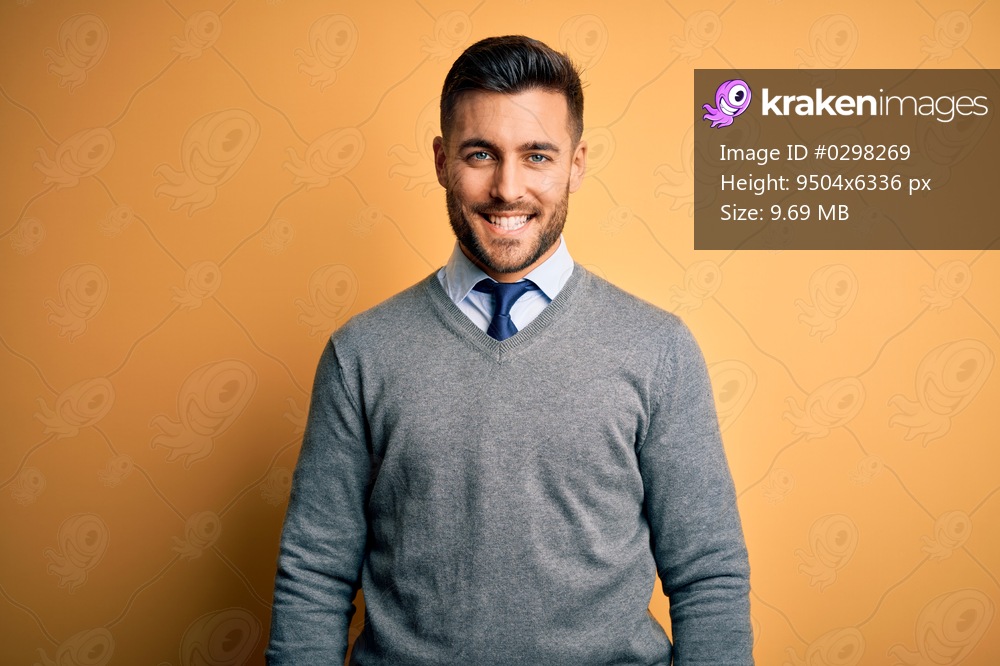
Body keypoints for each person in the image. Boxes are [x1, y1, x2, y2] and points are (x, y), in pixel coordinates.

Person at [267, 35, 752, 665]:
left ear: (576, 164)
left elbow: (708, 574)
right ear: (442, 161)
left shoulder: (659, 350)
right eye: (480, 154)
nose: (508, 188)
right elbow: (313, 575)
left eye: (538, 156)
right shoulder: (360, 354)